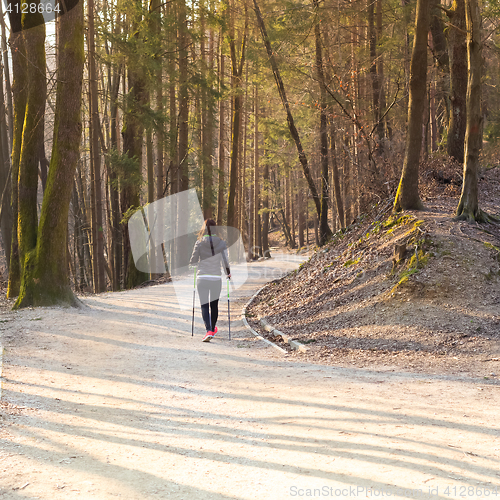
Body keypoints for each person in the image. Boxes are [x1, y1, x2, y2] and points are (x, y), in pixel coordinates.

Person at [189, 219, 231, 342]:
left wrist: (194, 265)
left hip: (202, 277)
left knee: (204, 305)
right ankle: (212, 329)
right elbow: (225, 261)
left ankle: (209, 330)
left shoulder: (199, 243)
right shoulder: (222, 243)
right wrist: (228, 273)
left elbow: (192, 261)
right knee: (214, 305)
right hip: (216, 278)